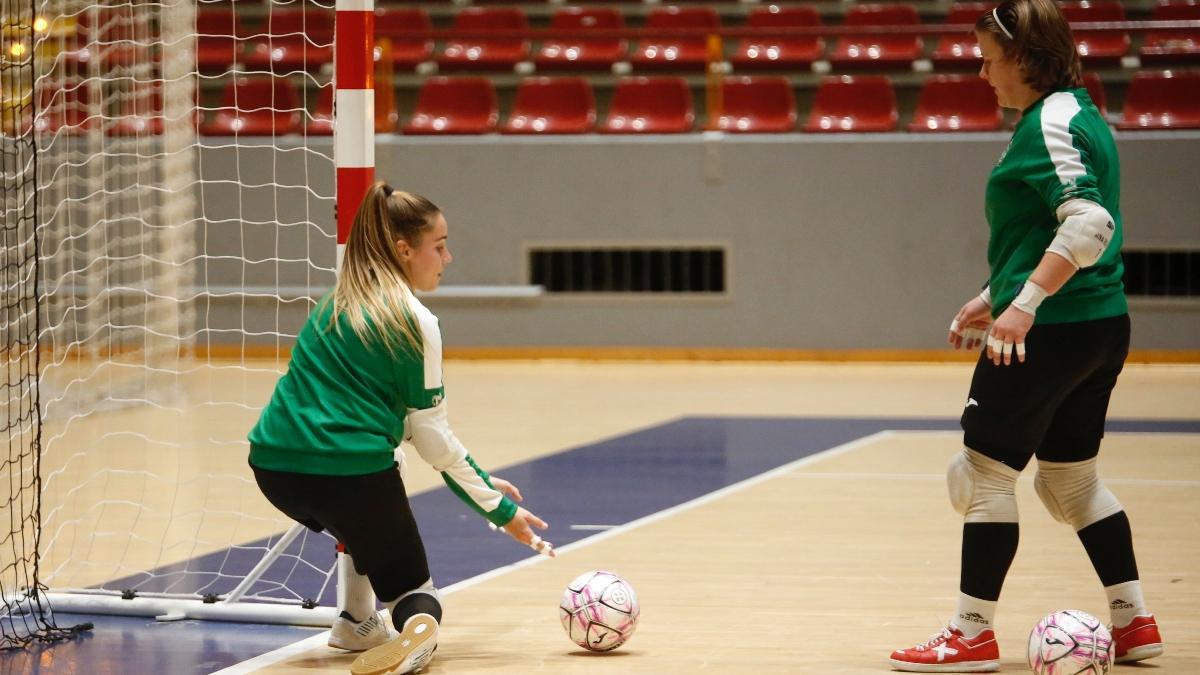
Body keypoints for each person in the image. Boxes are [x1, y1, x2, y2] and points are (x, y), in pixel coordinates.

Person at [888, 0, 1163, 670]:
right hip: (1096, 323)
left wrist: (1026, 305)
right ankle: (1134, 621)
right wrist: (996, 296)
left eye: (990, 58)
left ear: (1028, 58)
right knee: (1070, 482)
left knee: (982, 473)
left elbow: (1089, 226)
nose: (982, 72)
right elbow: (1046, 230)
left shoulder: (1051, 123)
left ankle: (971, 631)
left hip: (1055, 329)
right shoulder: (1077, 113)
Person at [248, 183, 554, 675]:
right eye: (440, 245)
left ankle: (356, 622)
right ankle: (414, 641)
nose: (447, 258)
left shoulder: (334, 304)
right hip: (347, 473)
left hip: (274, 468)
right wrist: (499, 510)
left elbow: (404, 428)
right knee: (417, 597)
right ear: (404, 250)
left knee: (371, 495)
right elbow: (433, 436)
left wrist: (479, 481)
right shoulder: (415, 321)